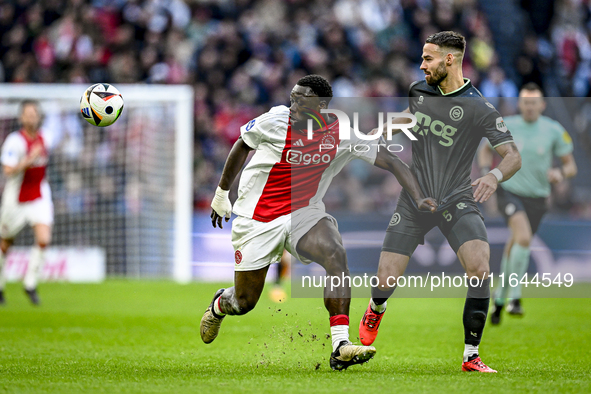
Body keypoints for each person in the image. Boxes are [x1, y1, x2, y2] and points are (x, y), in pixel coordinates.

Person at [200, 74, 437, 371]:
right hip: (257, 217)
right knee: (244, 302)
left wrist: (418, 199)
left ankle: (340, 345)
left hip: (304, 212)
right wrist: (221, 194)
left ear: (322, 105)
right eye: (293, 96)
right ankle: (220, 304)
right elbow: (241, 145)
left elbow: (393, 161)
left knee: (335, 253)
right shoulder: (275, 120)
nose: (294, 102)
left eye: (303, 99)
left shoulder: (340, 131)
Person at [357, 31, 522, 373]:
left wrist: (493, 176)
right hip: (415, 198)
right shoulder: (420, 91)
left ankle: (471, 355)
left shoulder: (479, 107)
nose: (421, 65)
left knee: (480, 268)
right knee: (386, 278)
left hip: (457, 198)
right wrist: (377, 132)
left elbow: (512, 155)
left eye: (428, 59)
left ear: (450, 59)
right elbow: (408, 116)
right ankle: (376, 308)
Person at [478, 83, 577, 324]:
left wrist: (560, 174)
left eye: (534, 102)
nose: (529, 106)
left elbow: (571, 165)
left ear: (542, 105)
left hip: (538, 197)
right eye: (525, 102)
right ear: (519, 103)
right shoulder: (507, 124)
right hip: (510, 191)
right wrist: (485, 172)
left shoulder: (554, 130)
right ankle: (515, 297)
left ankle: (498, 300)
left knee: (516, 244)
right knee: (523, 237)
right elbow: (484, 149)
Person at [0, 100, 53, 305]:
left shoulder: (45, 137)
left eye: (34, 114)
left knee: (43, 239)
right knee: (5, 243)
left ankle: (30, 284)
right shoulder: (15, 141)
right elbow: (7, 170)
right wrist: (29, 160)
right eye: (27, 114)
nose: (31, 117)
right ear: (21, 118)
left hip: (39, 194)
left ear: (39, 117)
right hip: (16, 198)